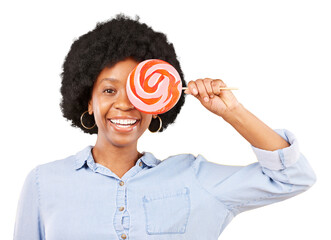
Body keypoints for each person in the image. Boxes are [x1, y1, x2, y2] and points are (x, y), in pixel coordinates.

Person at [13, 14, 316, 240]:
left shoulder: (195, 178)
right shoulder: (44, 183)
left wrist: (232, 112)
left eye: (136, 92)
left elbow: (293, 177)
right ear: (87, 101)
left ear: (157, 103)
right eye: (109, 90)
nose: (125, 104)